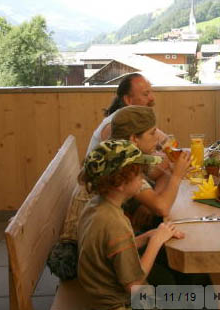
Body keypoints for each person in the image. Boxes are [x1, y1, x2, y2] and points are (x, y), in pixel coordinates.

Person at [47, 106, 190, 281]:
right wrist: (176, 176)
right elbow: (162, 207)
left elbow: (156, 176)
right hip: (83, 254)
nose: (158, 139)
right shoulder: (122, 167)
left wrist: (152, 201)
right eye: (153, 133)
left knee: (164, 240)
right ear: (134, 139)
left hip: (98, 246)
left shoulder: (117, 156)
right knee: (171, 268)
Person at [77, 139, 185, 310]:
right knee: (185, 294)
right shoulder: (115, 223)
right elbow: (134, 285)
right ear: (120, 183)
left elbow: (111, 249)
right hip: (117, 309)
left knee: (168, 281)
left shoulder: (96, 206)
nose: (143, 179)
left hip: (98, 292)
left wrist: (149, 235)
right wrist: (156, 242)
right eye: (139, 174)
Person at [86, 73, 157, 155]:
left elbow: (163, 140)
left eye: (151, 92)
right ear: (128, 100)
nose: (152, 98)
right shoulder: (115, 125)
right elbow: (126, 160)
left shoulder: (136, 120)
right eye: (145, 94)